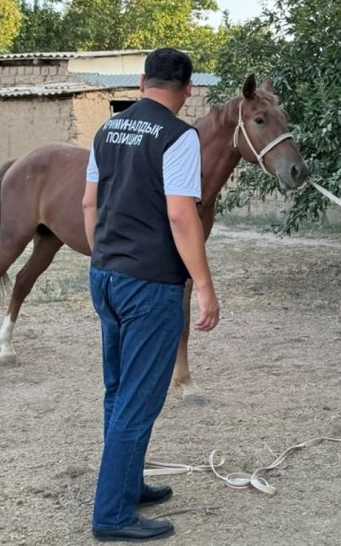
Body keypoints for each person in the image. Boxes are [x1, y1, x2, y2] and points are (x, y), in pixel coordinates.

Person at [82, 48, 220, 541]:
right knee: (138, 399)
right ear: (186, 90)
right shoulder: (179, 136)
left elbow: (88, 203)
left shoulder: (106, 130)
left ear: (142, 83)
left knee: (119, 391)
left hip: (107, 276)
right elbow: (182, 216)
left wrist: (102, 258)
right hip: (151, 286)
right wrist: (204, 286)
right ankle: (114, 515)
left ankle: (127, 484)